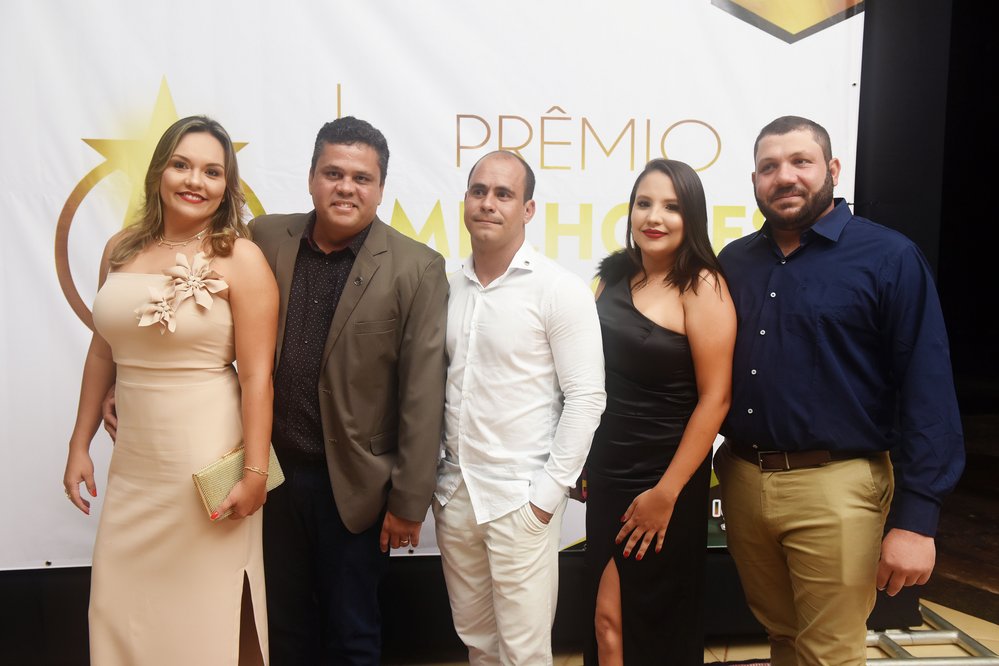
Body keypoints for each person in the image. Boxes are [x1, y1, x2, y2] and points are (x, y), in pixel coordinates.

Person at [713, 116, 965, 664]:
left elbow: (928, 390)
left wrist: (917, 519)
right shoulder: (734, 261)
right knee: (781, 636)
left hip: (838, 486)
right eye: (769, 166)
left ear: (831, 169)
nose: (785, 176)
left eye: (800, 162)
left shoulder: (889, 257)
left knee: (829, 653)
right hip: (743, 478)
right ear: (754, 180)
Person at [63, 115, 279, 665]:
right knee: (120, 607)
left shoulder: (242, 258)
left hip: (204, 462)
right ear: (160, 169)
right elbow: (101, 353)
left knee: (203, 613)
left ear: (227, 185)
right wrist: (79, 444)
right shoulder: (119, 247)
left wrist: (255, 473)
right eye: (182, 165)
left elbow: (257, 377)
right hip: (134, 465)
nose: (194, 180)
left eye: (212, 171)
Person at [249, 116, 448, 665]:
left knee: (352, 633)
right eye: (333, 173)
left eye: (362, 178)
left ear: (380, 189)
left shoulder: (417, 267)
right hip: (271, 477)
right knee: (282, 627)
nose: (346, 188)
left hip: (357, 489)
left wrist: (409, 502)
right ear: (311, 177)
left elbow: (422, 396)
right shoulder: (264, 238)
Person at [434, 150, 606, 665]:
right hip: (455, 494)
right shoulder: (446, 286)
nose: (488, 203)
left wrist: (545, 498)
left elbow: (587, 398)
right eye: (479, 191)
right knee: (476, 642)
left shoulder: (559, 290)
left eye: (504, 194)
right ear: (466, 201)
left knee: (524, 653)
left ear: (528, 210)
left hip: (520, 500)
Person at [583, 159, 736, 665]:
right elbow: (589, 377)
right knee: (605, 621)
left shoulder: (703, 286)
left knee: (646, 620)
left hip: (665, 479)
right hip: (607, 471)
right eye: (644, 203)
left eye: (672, 207)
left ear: (692, 216)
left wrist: (666, 494)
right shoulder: (611, 277)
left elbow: (716, 398)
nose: (654, 217)